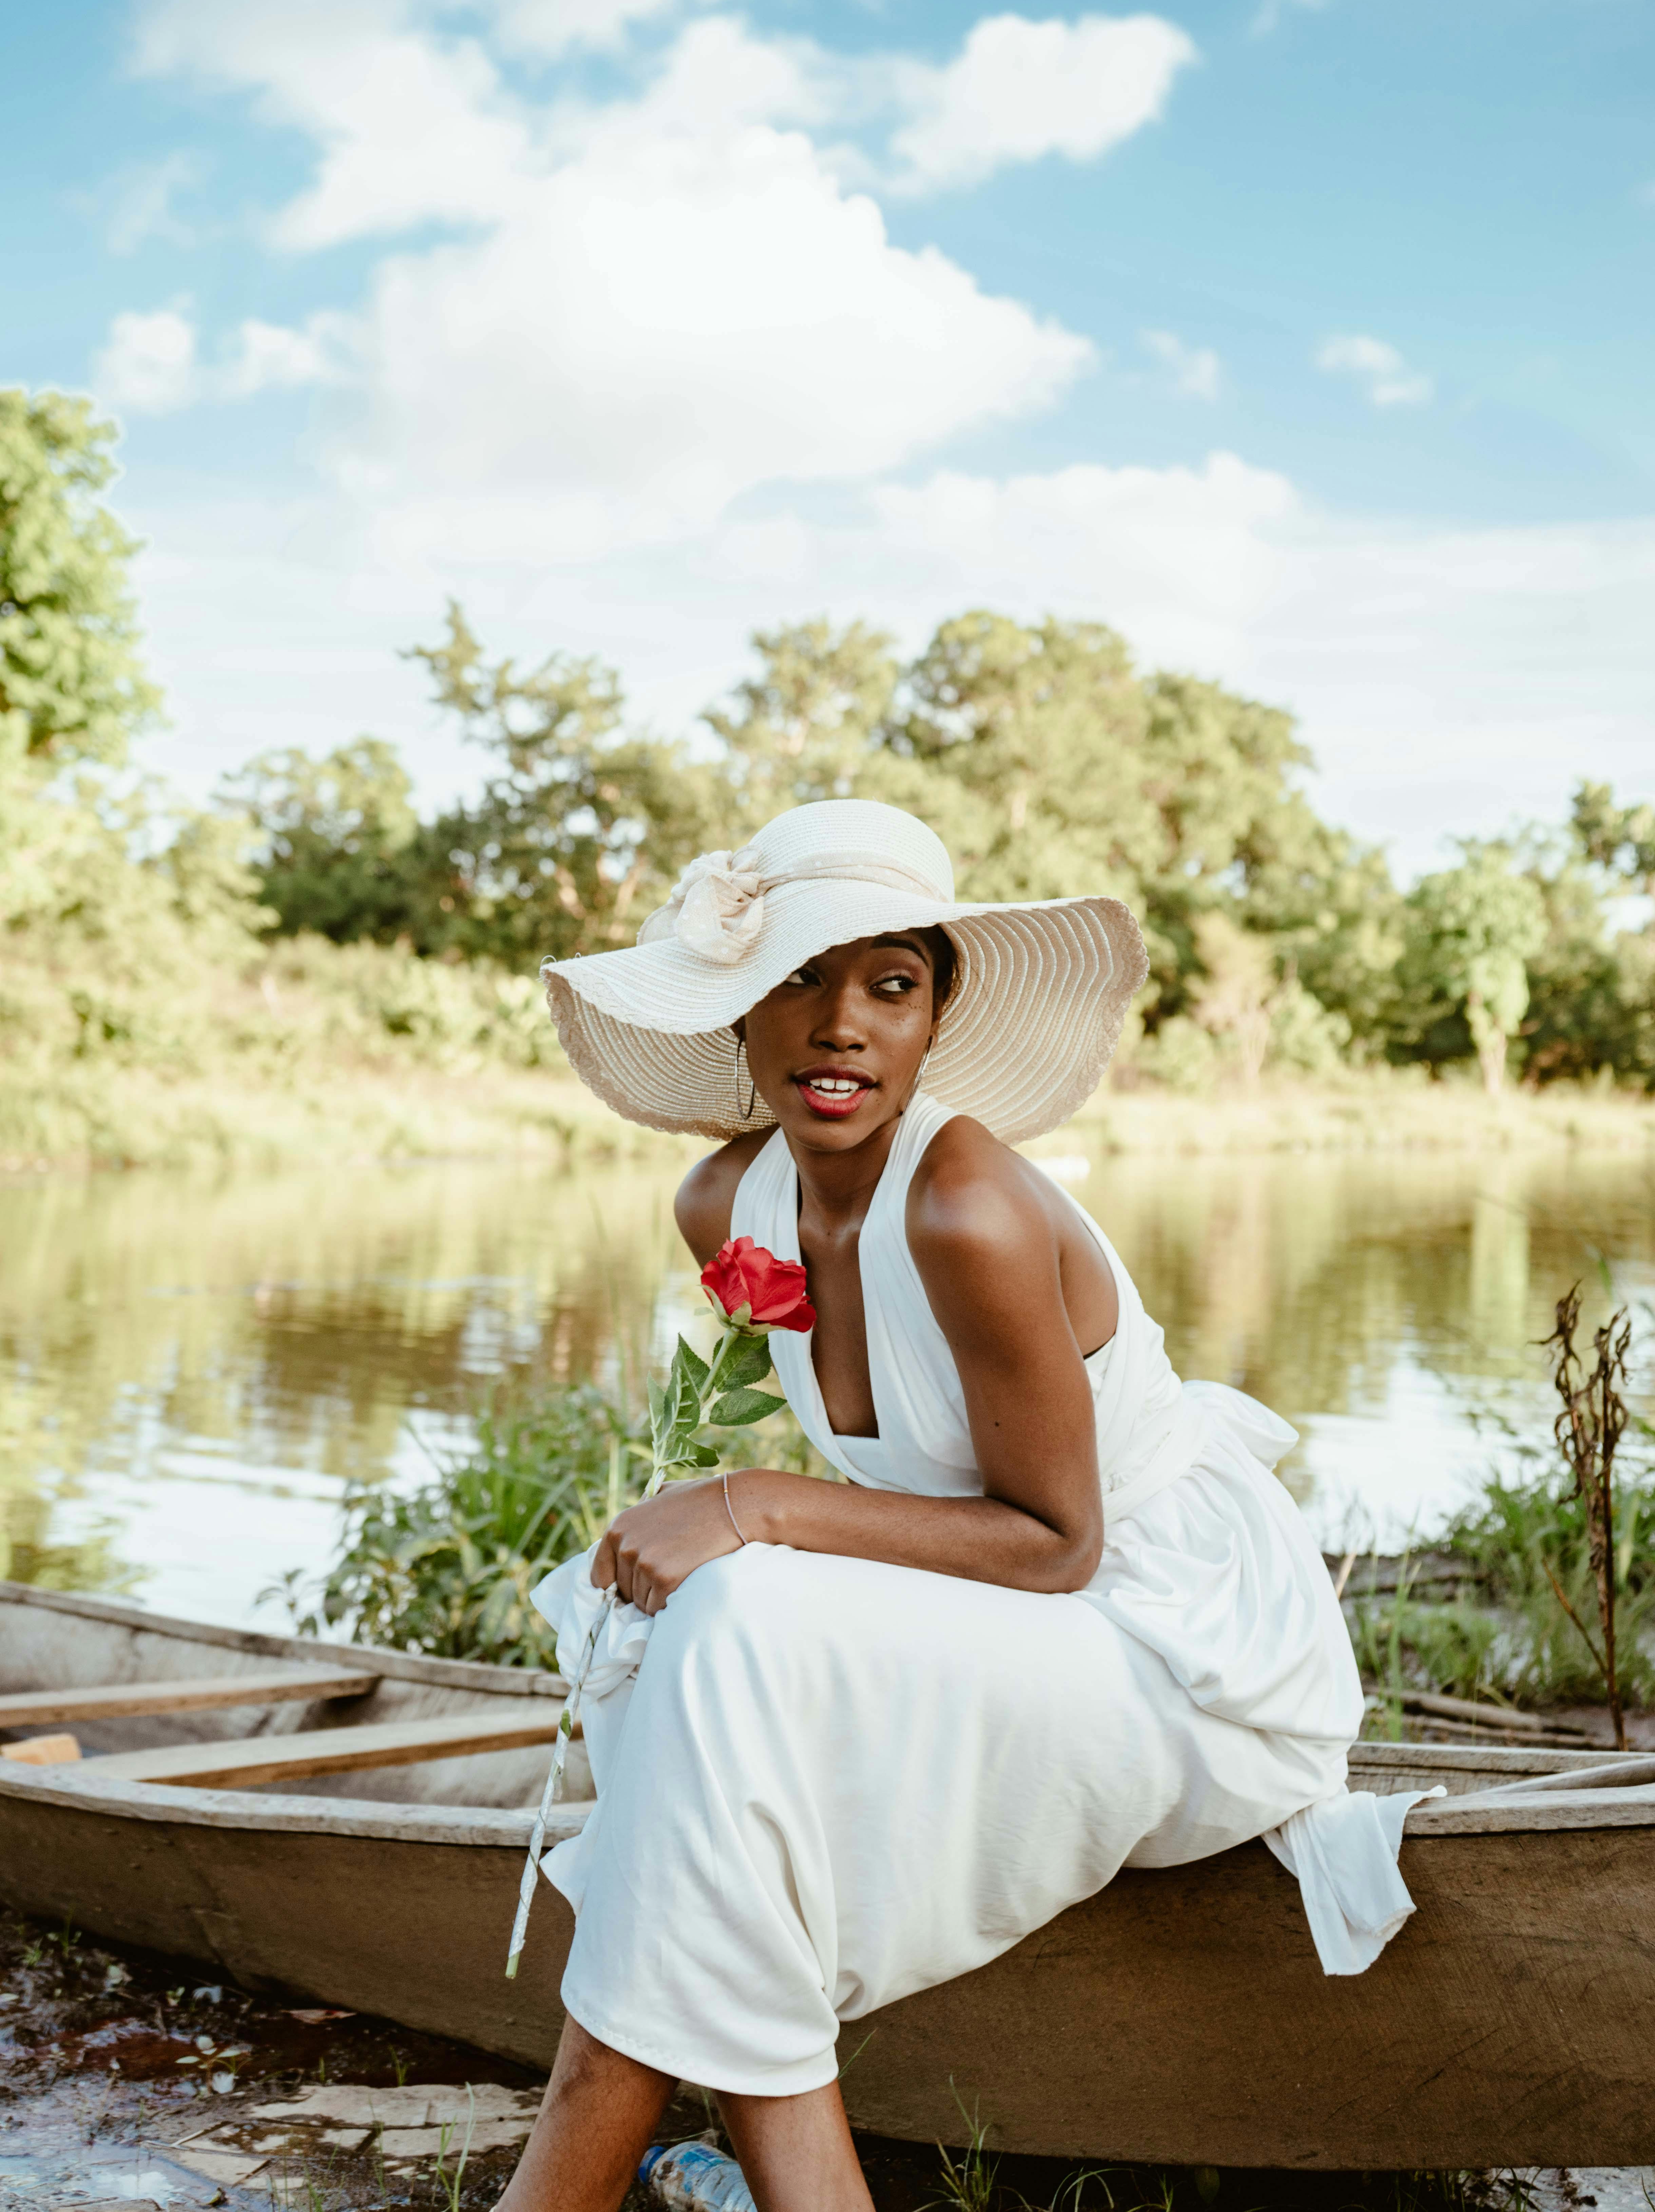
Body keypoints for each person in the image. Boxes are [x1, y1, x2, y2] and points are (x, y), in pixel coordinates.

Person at [497, 799, 1427, 2212]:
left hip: (1172, 1653)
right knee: (709, 1649)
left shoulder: (965, 1205)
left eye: (889, 983)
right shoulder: (719, 1207)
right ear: (739, 1007)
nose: (840, 1024)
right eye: (800, 976)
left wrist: (749, 1502)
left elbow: (1059, 1545)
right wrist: (721, 1504)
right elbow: (788, 1446)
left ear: (933, 1019)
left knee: (731, 1622)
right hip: (985, 1620)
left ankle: (562, 2174)